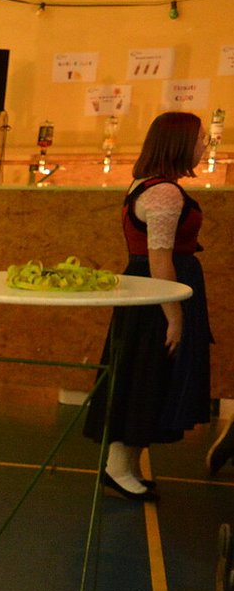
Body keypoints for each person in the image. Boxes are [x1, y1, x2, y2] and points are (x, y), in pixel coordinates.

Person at [84, 111, 214, 500]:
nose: (205, 145)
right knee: (145, 378)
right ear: (179, 144)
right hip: (158, 294)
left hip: (153, 291)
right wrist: (174, 316)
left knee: (145, 376)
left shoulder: (149, 185)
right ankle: (117, 469)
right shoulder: (164, 193)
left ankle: (124, 466)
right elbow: (159, 260)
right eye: (201, 138)